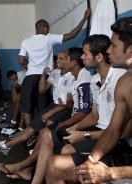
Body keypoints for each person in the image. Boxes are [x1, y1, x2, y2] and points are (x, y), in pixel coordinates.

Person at [45, 34, 126, 184]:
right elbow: (94, 115)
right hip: (99, 129)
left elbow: (119, 131)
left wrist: (85, 135)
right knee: (59, 142)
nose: (82, 57)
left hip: (114, 140)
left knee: (56, 162)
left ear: (99, 57)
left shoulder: (121, 79)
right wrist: (74, 128)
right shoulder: (95, 79)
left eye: (85, 54)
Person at [75, 17, 132, 184]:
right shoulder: (124, 83)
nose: (108, 51)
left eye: (114, 46)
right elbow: (113, 131)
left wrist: (110, 173)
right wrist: (91, 161)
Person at [18, 9, 91, 127]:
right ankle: (39, 134)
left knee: (26, 108)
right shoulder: (49, 38)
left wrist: (30, 64)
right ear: (45, 29)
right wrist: (85, 18)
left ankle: (30, 136)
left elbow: (21, 61)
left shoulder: (25, 41)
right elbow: (72, 35)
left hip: (30, 76)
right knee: (42, 108)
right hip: (45, 76)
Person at [0, 51, 74, 155]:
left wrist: (48, 113)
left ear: (71, 61)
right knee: (31, 127)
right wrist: (43, 76)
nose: (57, 61)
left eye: (62, 58)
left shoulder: (72, 76)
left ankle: (35, 150)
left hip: (63, 108)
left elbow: (66, 103)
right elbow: (42, 90)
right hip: (54, 105)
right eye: (57, 58)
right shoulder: (56, 73)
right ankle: (6, 146)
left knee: (43, 126)